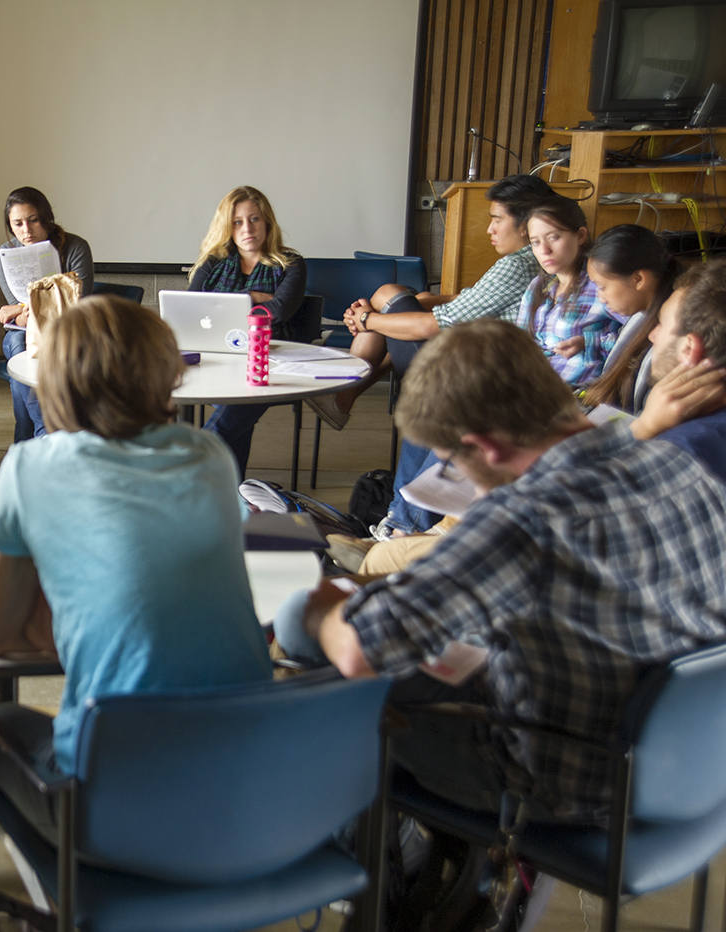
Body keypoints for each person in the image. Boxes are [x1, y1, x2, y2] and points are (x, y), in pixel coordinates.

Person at [278, 317, 726, 825]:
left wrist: (320, 608)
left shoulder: (524, 518)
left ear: (486, 446)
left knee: (304, 625)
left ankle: (379, 870)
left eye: (451, 462)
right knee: (463, 645)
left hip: (563, 784)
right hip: (694, 768)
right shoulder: (684, 467)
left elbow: (361, 648)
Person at [0, 295, 273, 838]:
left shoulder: (30, 466)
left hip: (114, 792)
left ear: (56, 383)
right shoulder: (210, 456)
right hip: (246, 772)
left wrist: (69, 622)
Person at [311, 174, 553, 429]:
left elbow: (434, 325)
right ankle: (342, 397)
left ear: (527, 224)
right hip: (481, 362)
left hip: (468, 376)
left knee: (387, 294)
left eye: (497, 220)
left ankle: (342, 396)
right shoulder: (535, 260)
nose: (489, 229)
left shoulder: (516, 265)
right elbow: (469, 298)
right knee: (400, 303)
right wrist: (422, 301)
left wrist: (366, 319)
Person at [187, 186, 307, 471]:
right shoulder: (212, 263)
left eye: (254, 219)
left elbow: (279, 311)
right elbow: (192, 307)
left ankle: (193, 463)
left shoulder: (290, 264)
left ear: (267, 221)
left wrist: (225, 303)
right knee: (239, 421)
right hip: (216, 354)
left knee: (239, 402)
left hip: (270, 359)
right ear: (227, 227)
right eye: (237, 222)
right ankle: (232, 494)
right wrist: (253, 297)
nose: (247, 228)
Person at [0, 187, 94, 442]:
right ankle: (47, 435)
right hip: (26, 333)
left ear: (47, 219)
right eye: (17, 224)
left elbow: (76, 303)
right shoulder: (4, 254)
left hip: (69, 332)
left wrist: (22, 308)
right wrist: (24, 311)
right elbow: (17, 315)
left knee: (21, 370)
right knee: (17, 343)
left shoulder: (75, 247)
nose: (26, 230)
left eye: (33, 220)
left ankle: (27, 444)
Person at [631, 259, 726, 483]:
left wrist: (644, 428)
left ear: (689, 348)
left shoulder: (680, 451)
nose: (652, 335)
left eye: (662, 324)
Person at [516, 196, 618, 387]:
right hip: (531, 385)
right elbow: (520, 341)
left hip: (575, 391)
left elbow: (634, 339)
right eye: (535, 242)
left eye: (553, 237)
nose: (544, 250)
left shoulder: (600, 285)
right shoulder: (538, 285)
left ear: (580, 236)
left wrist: (587, 342)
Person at [581, 224, 679, 413]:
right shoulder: (638, 319)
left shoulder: (670, 339)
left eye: (602, 287)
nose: (601, 298)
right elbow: (609, 381)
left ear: (638, 279)